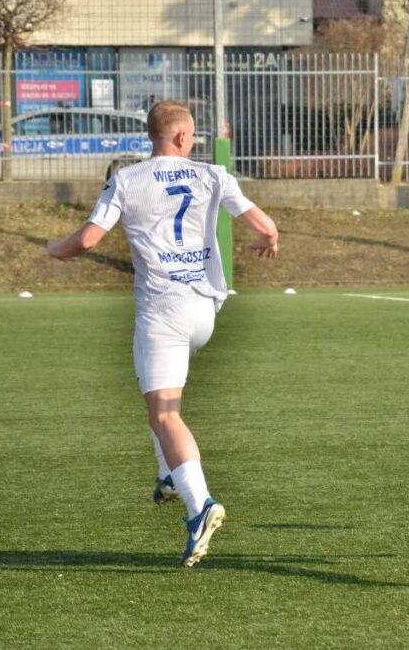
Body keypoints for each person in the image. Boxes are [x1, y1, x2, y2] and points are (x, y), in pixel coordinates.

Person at [47, 100, 279, 566]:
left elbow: (88, 240)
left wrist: (55, 249)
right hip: (205, 311)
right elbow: (265, 225)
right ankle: (169, 475)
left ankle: (201, 506)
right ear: (181, 138)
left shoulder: (128, 179)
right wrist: (268, 239)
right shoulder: (213, 175)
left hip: (163, 313)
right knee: (156, 397)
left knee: (164, 414)